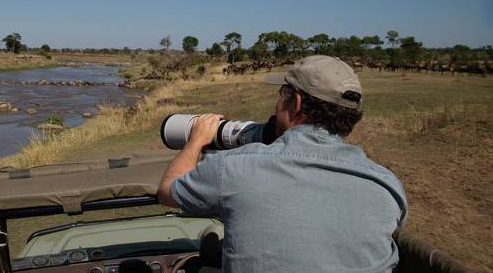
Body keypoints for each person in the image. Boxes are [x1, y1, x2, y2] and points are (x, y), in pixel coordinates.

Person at [158, 55, 408, 273]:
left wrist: (196, 140)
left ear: (296, 102)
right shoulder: (387, 186)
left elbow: (168, 191)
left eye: (282, 96)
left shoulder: (235, 168)